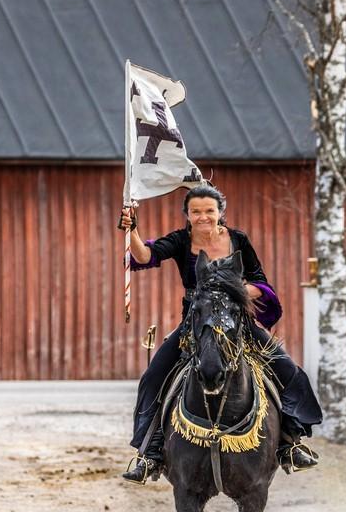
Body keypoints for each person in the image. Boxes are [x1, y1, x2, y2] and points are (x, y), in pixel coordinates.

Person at [120, 184, 321, 483]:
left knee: (287, 369)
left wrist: (235, 290)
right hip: (195, 324)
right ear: (187, 215)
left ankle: (289, 444)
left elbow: (260, 282)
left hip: (237, 323)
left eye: (209, 211)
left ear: (220, 213)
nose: (203, 217)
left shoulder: (238, 239)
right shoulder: (180, 240)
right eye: (196, 211)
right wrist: (132, 229)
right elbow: (145, 254)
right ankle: (150, 453)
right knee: (153, 377)